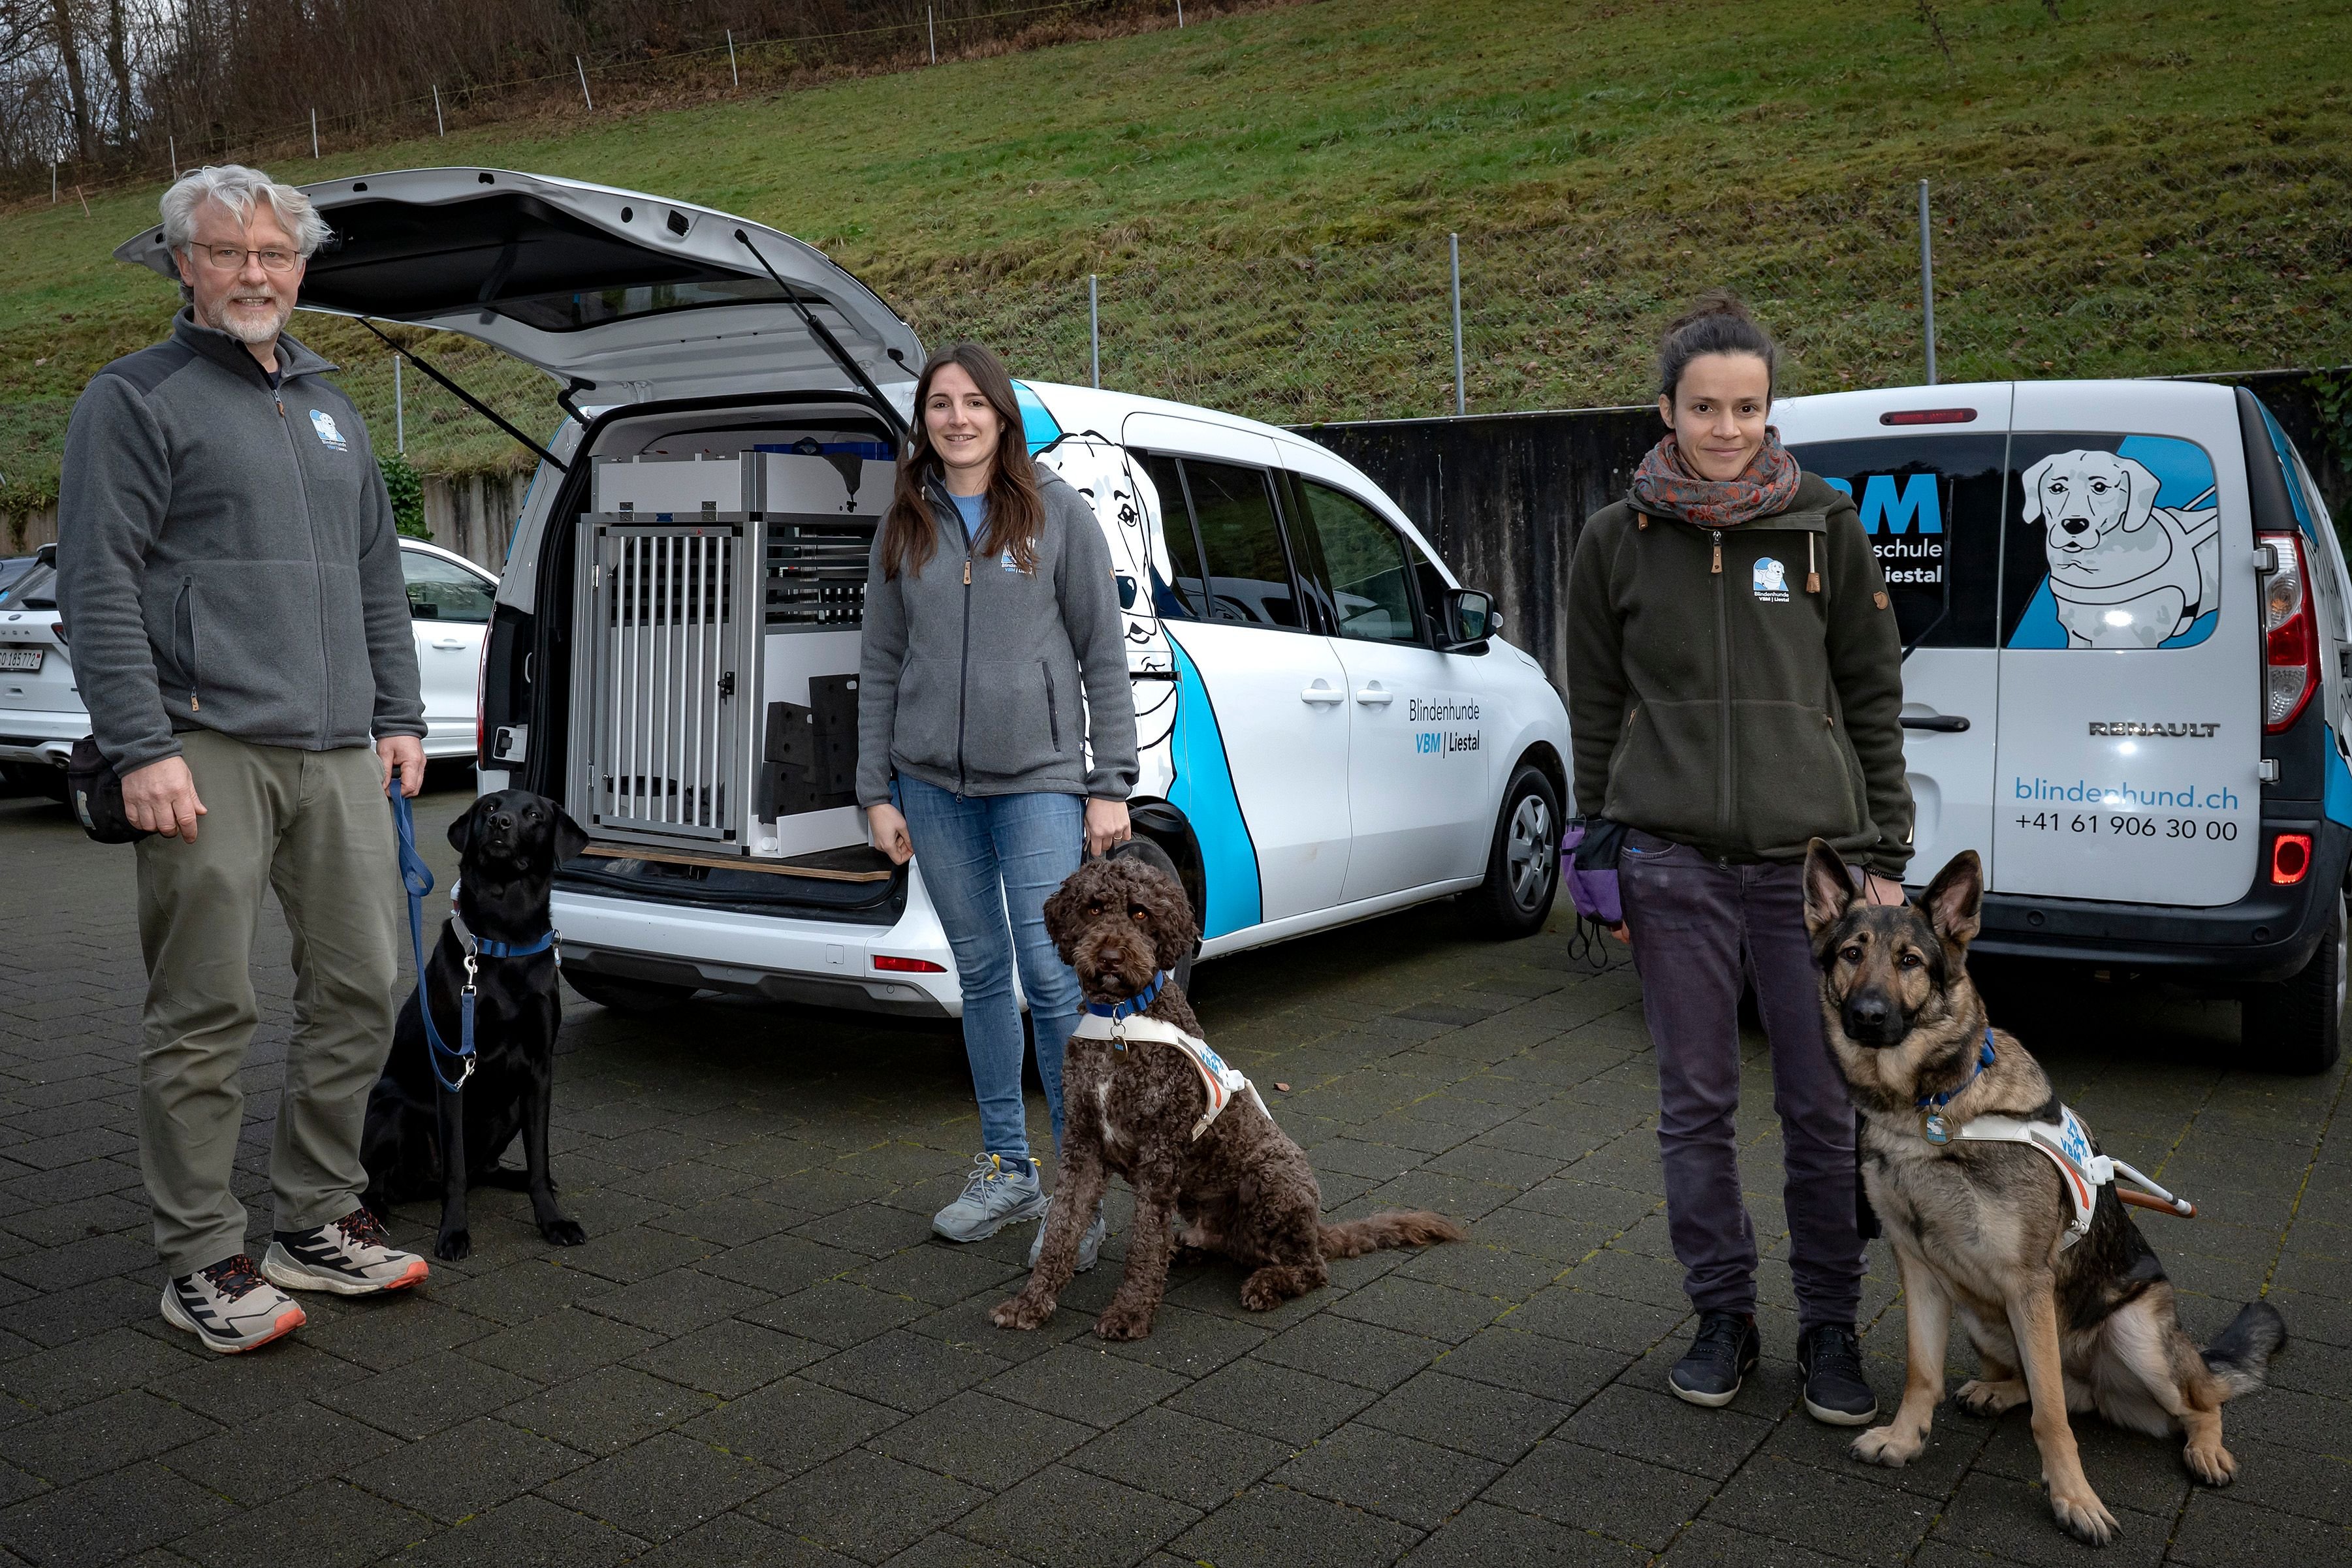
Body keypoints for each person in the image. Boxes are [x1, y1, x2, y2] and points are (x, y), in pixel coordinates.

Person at [58, 166, 431, 1355]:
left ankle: (314, 1217)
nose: (254, 274)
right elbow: (99, 582)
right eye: (227, 253)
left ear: (303, 267)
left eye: (274, 253)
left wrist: (402, 714)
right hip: (203, 745)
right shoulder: (136, 398)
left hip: (337, 748)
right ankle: (201, 1252)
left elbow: (379, 573)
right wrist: (141, 746)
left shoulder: (332, 405)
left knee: (366, 984)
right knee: (209, 1005)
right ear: (182, 263)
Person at [1563, 291, 1911, 1424]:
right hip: (1671, 863)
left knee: (1822, 1108)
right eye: (1705, 407)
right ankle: (1721, 1314)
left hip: (1810, 879)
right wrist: (1596, 844)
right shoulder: (1615, 538)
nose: (1726, 429)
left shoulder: (1826, 526)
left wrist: (1886, 851)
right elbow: (1597, 702)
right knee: (1694, 1103)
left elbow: (1868, 689)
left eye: (1747, 407)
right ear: (1666, 409)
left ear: (1770, 410)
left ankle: (1825, 1327)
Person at [857, 342, 1137, 1268]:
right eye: (940, 404)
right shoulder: (904, 522)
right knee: (979, 976)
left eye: (974, 402)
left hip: (1039, 784)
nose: (957, 418)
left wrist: (1108, 783)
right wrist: (874, 790)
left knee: (1053, 979)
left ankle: (1078, 1188)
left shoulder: (1058, 516)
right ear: (923, 422)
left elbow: (1103, 651)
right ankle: (1005, 1167)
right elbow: (881, 664)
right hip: (929, 787)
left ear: (1002, 416)